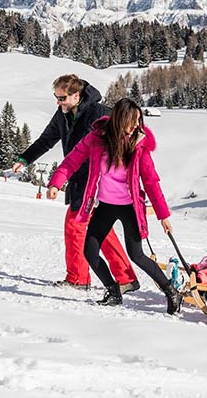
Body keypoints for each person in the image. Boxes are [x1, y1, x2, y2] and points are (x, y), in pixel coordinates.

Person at [47, 98, 183, 314]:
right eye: (132, 121)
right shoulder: (96, 139)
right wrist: (56, 183)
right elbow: (71, 162)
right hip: (105, 206)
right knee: (90, 252)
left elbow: (151, 182)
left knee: (136, 255)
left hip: (130, 207)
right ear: (119, 120)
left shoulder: (139, 146)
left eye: (139, 120)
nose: (136, 126)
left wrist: (163, 215)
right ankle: (113, 291)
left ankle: (171, 291)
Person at [12, 75, 137, 292]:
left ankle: (78, 278)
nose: (58, 102)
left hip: (96, 181)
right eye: (56, 97)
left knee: (75, 226)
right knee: (101, 230)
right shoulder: (62, 115)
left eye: (62, 97)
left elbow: (125, 132)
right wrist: (24, 158)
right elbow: (46, 140)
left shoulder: (99, 113)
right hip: (79, 179)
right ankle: (126, 277)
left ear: (76, 95)